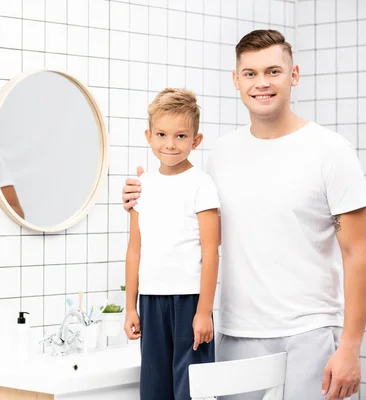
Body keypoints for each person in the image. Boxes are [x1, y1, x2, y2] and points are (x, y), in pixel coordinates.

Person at [122, 30, 366, 400]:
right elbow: (191, 224)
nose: (262, 83)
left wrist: (350, 347)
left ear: (294, 75)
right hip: (235, 336)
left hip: (308, 336)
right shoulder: (221, 154)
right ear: (236, 80)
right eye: (251, 73)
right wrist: (141, 194)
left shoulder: (331, 151)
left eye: (273, 71)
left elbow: (360, 255)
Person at [123, 88, 221, 400]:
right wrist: (130, 307)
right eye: (162, 134)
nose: (170, 144)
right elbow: (134, 250)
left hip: (190, 302)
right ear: (148, 136)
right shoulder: (142, 187)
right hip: (150, 302)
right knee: (153, 390)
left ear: (196, 140)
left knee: (192, 391)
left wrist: (204, 311)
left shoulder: (201, 184)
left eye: (181, 136)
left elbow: (210, 252)